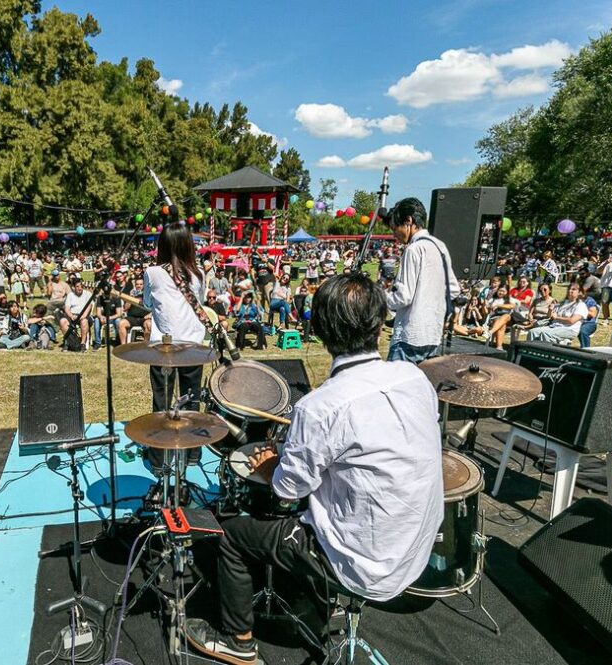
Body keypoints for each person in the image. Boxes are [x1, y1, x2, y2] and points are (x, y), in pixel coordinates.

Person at [184, 274, 443, 664]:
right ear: (379, 325)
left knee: (229, 533)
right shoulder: (414, 378)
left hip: (364, 565)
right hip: (415, 552)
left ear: (318, 329)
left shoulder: (321, 407)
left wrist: (272, 464)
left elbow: (289, 490)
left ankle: (239, 642)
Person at [143, 223, 207, 477]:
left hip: (165, 347)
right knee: (191, 401)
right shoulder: (198, 273)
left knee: (162, 403)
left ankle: (159, 459)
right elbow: (197, 303)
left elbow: (148, 302)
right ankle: (192, 453)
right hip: (193, 345)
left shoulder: (153, 272)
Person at [384, 198, 460, 363]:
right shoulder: (440, 246)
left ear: (408, 221)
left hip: (409, 337)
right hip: (433, 336)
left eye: (394, 227)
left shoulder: (413, 249)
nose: (393, 234)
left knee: (396, 387)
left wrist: (380, 297)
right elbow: (454, 289)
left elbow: (403, 297)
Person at [59, 278, 92, 350]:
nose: (80, 288)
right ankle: (69, 342)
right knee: (62, 321)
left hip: (84, 316)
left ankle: (82, 343)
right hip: (72, 315)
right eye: (77, 286)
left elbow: (89, 307)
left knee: (84, 321)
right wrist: (71, 316)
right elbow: (67, 308)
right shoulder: (70, 295)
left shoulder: (88, 294)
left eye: (81, 286)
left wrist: (83, 316)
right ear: (74, 287)